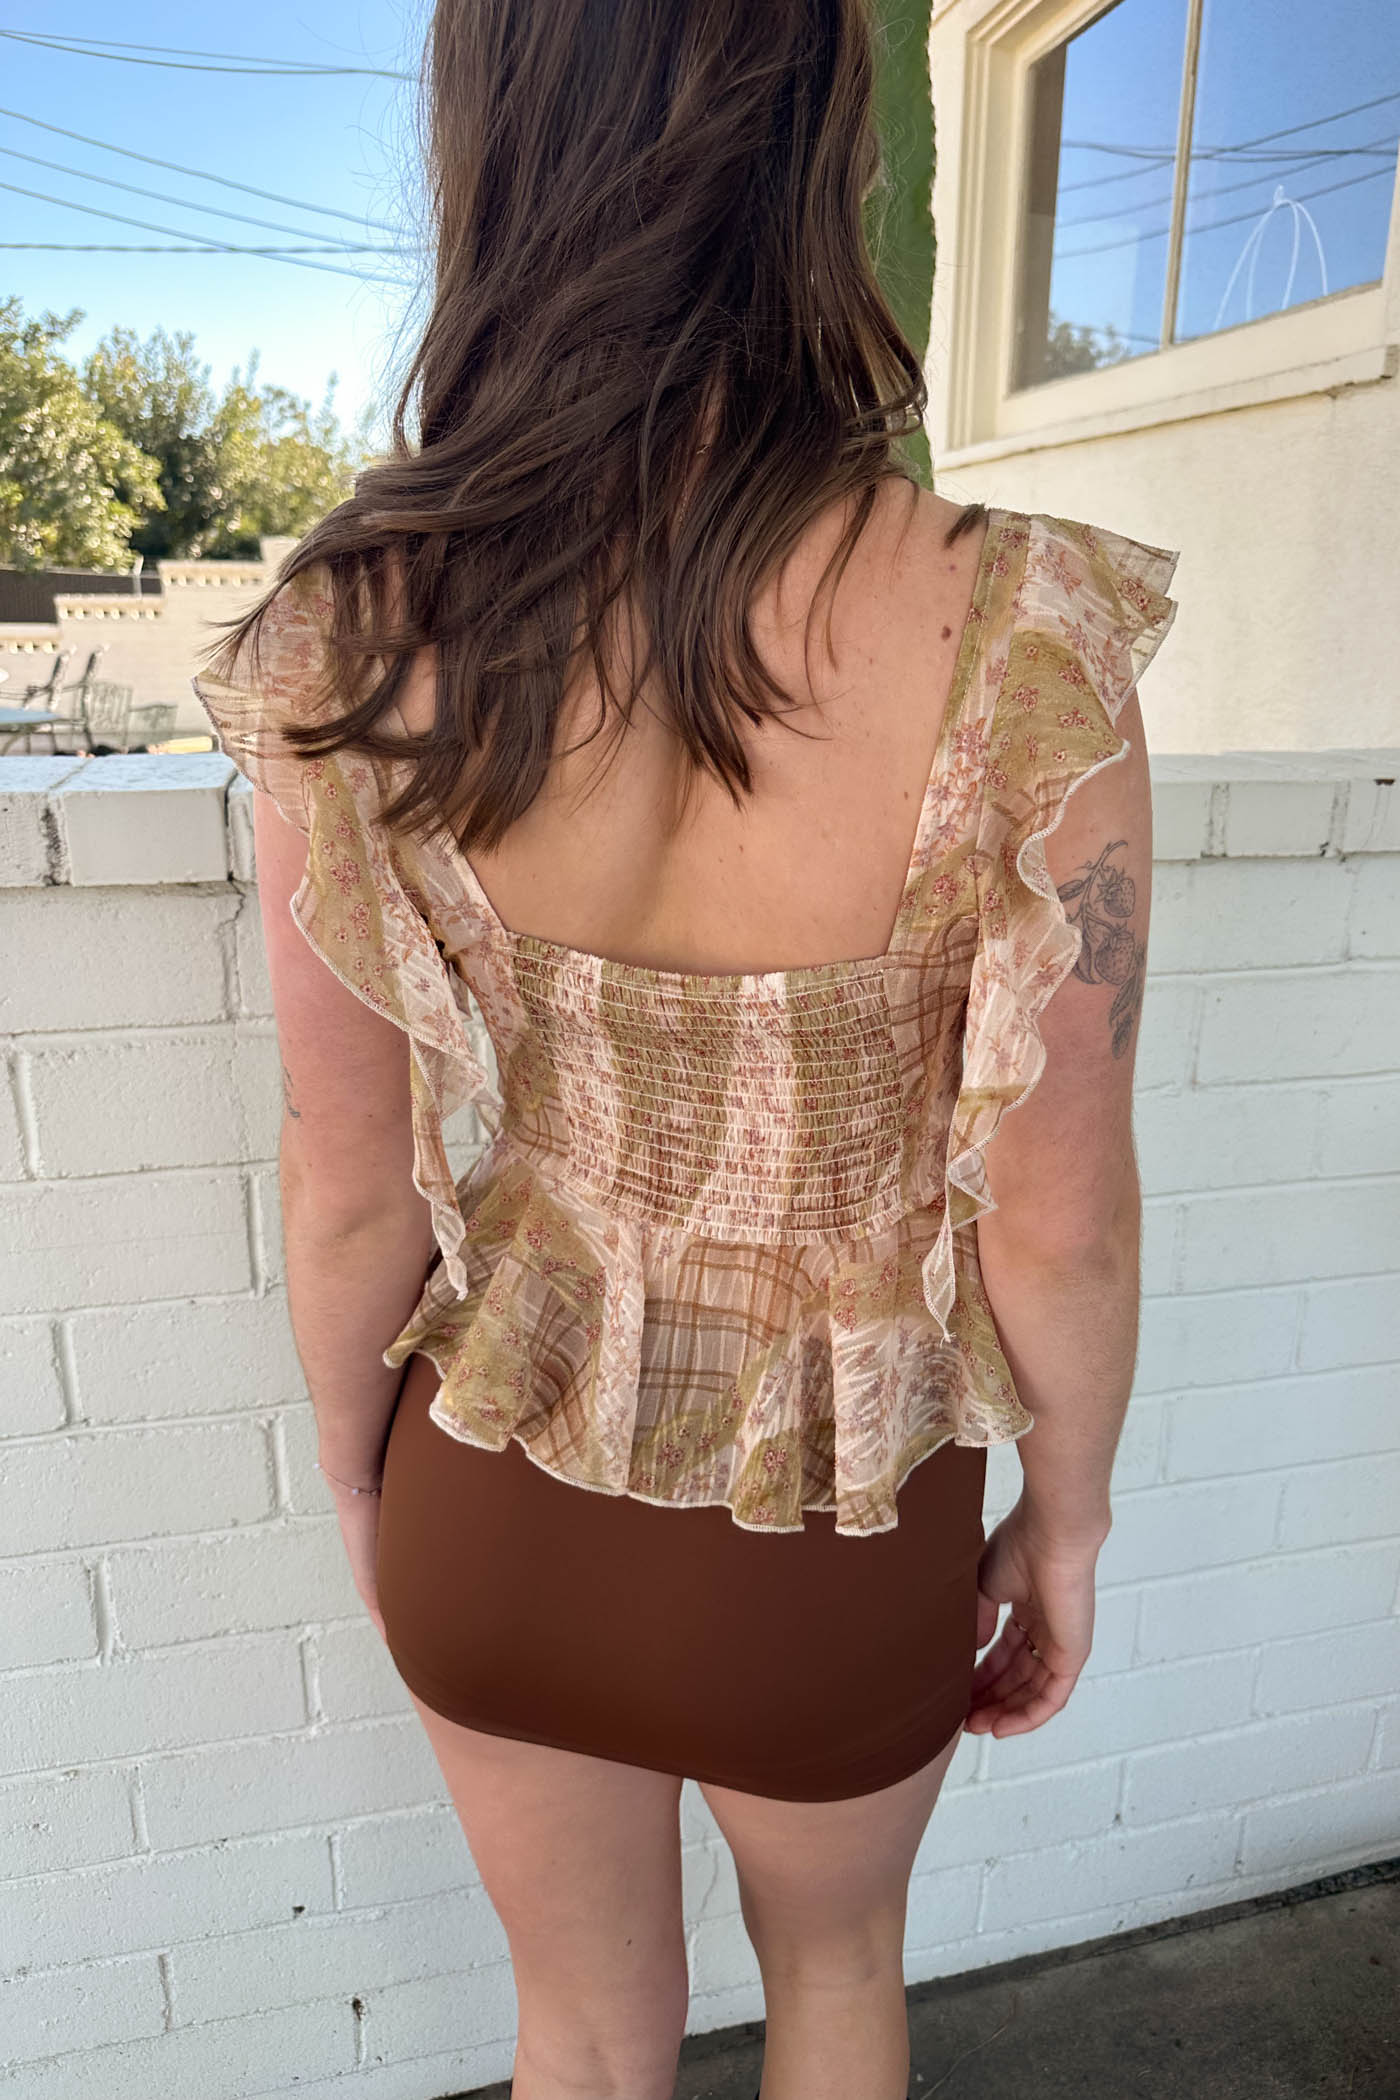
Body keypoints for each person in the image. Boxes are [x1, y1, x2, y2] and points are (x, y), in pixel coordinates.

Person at [192, 3, 1179, 2096]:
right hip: (827, 1536)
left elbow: (348, 1174)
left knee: (576, 2033)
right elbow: (1059, 1219)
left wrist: (370, 1495)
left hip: (493, 1478)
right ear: (821, 147)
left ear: (490, 144)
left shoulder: (352, 633)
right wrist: (1065, 1522)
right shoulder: (1013, 638)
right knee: (833, 1988)